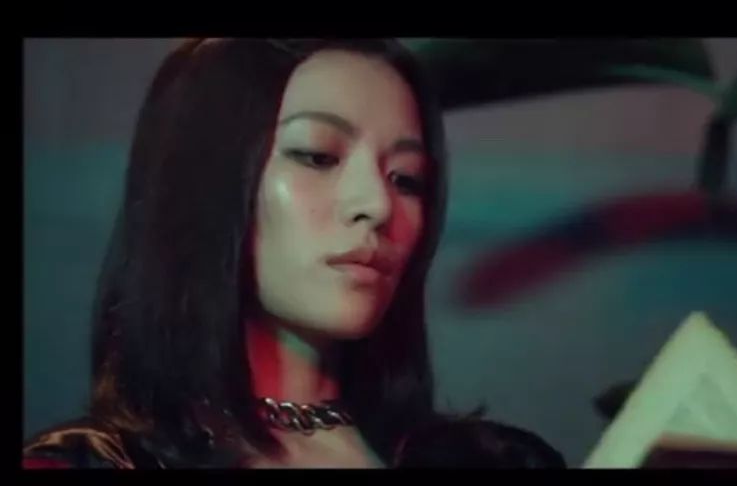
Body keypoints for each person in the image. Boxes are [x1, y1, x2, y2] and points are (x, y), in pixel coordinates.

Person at [22, 38, 566, 469]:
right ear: (202, 183)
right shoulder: (90, 462)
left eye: (406, 178)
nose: (377, 205)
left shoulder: (496, 460)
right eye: (317, 156)